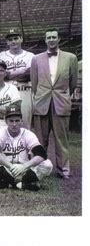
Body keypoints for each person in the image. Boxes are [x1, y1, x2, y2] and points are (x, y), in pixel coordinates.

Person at [31, 28, 78, 179]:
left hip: (61, 102)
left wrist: (62, 95)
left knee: (61, 139)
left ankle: (63, 169)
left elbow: (72, 82)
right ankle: (40, 167)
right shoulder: (36, 59)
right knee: (40, 139)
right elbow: (34, 83)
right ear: (45, 40)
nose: (51, 40)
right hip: (42, 102)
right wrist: (41, 97)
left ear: (59, 39)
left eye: (54, 37)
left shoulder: (70, 58)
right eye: (48, 37)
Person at [0, 106, 53, 190]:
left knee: (47, 164)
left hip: (24, 169)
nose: (14, 124)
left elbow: (41, 154)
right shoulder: (0, 133)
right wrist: (10, 166)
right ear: (6, 121)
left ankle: (9, 182)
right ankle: (22, 184)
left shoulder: (28, 134)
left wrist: (24, 166)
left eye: (17, 121)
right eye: (11, 121)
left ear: (21, 121)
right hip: (6, 168)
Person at [0, 28, 34, 128]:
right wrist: (21, 71)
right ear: (7, 42)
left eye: (16, 38)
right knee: (6, 124)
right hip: (6, 92)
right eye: (10, 39)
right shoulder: (1, 56)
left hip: (24, 91)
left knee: (25, 123)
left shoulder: (31, 56)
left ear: (21, 39)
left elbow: (28, 75)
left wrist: (9, 74)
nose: (13, 41)